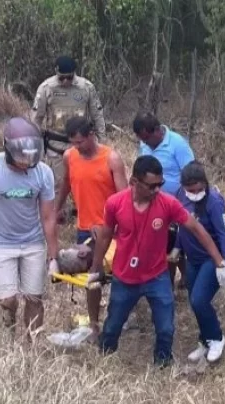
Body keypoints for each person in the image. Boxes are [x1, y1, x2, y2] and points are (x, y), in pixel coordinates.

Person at [86, 155, 225, 367]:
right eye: (152, 186)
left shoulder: (168, 203)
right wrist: (96, 266)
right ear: (134, 182)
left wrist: (221, 262)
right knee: (113, 325)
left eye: (160, 184)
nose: (157, 190)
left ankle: (162, 364)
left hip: (157, 276)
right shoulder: (115, 203)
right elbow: (106, 235)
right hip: (125, 277)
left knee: (165, 328)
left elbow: (197, 229)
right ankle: (104, 360)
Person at [0, 117, 59, 340]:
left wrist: (53, 256)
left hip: (32, 241)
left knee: (34, 297)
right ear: (7, 147)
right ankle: (9, 331)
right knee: (8, 299)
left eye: (31, 156)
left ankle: (33, 344)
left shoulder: (43, 173)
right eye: (21, 156)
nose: (26, 161)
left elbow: (48, 216)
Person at [55, 116, 128, 338]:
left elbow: (125, 199)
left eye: (81, 142)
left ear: (91, 135)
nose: (77, 147)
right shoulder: (70, 156)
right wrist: (57, 208)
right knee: (91, 279)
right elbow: (66, 183)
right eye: (73, 143)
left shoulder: (111, 159)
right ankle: (95, 323)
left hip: (112, 229)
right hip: (85, 229)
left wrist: (112, 226)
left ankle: (120, 318)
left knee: (117, 276)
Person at [169, 161, 225, 363]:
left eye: (199, 189)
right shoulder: (180, 194)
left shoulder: (214, 201)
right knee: (194, 302)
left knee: (199, 299)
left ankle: (216, 338)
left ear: (205, 183)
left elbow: (224, 234)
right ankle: (205, 340)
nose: (195, 193)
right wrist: (177, 247)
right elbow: (182, 225)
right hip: (192, 258)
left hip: (211, 259)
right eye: (191, 190)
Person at [133, 112, 195, 289]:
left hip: (176, 204)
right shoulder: (144, 145)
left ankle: (185, 278)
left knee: (179, 243)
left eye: (146, 139)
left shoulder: (177, 144)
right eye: (141, 140)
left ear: (156, 131)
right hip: (153, 203)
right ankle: (167, 284)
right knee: (163, 244)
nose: (144, 143)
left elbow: (191, 173)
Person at [31, 55, 106, 192]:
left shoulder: (86, 87)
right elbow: (36, 119)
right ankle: (60, 212)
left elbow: (97, 115)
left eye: (70, 77)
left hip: (82, 145)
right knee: (58, 186)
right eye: (62, 78)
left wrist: (102, 142)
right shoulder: (46, 88)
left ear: (75, 74)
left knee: (86, 184)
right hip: (56, 146)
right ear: (56, 72)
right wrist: (36, 148)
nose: (66, 81)